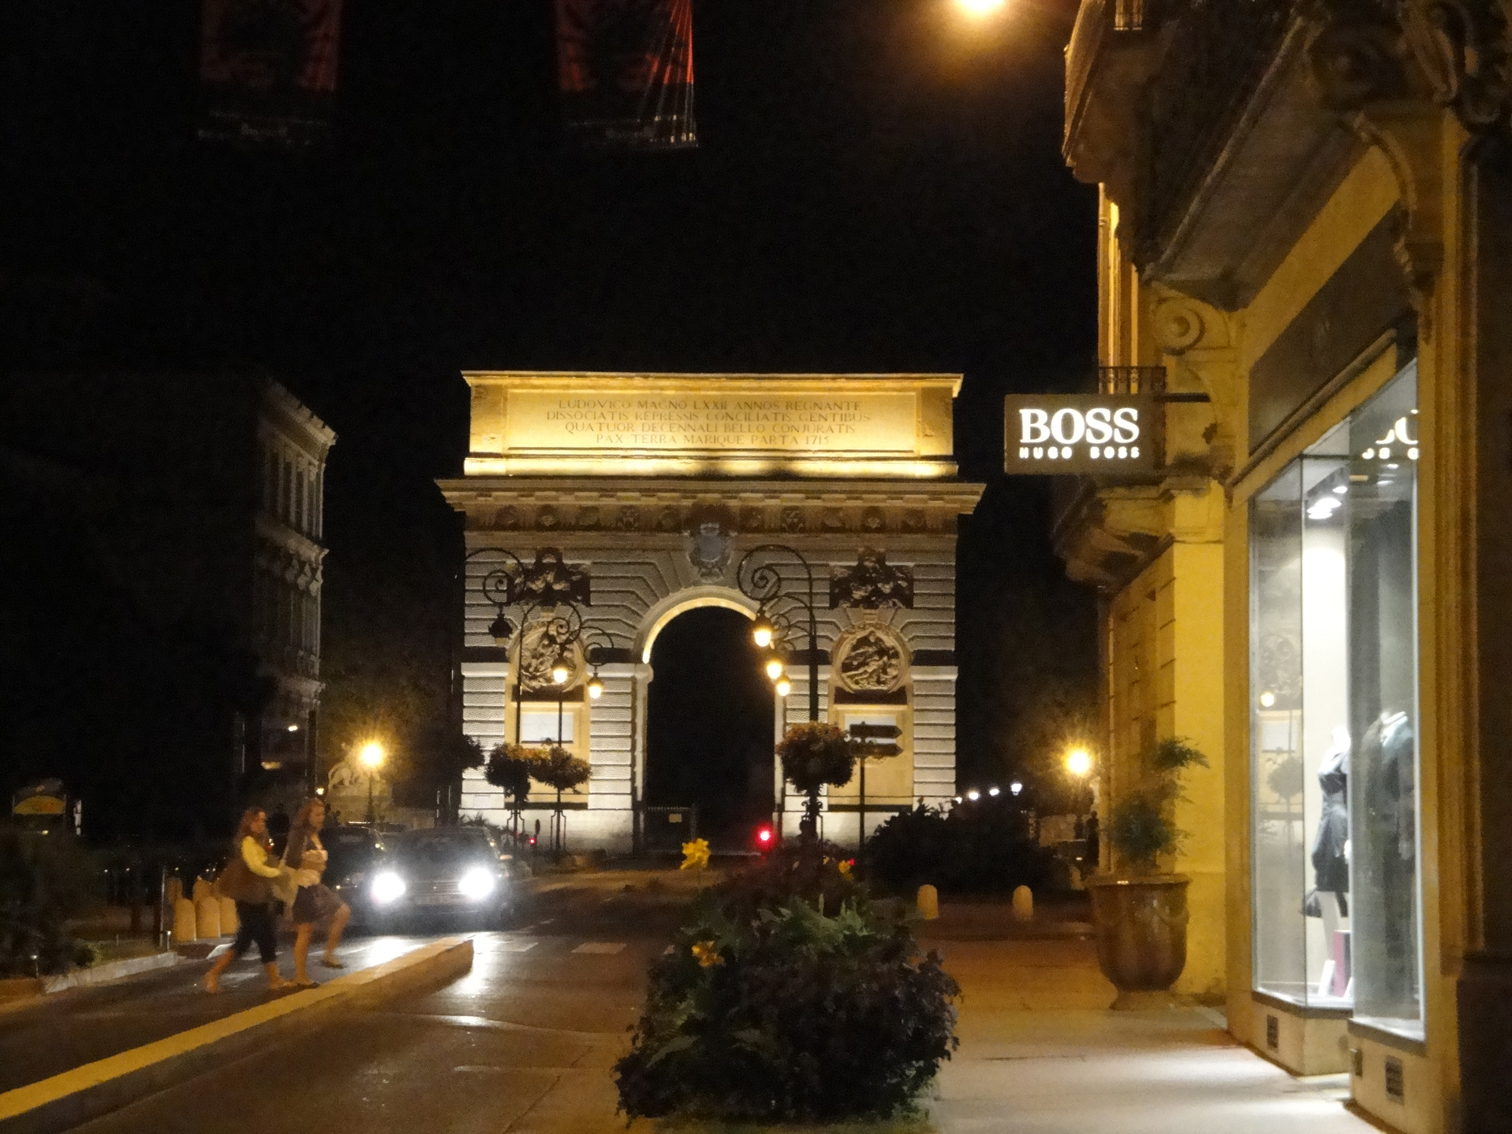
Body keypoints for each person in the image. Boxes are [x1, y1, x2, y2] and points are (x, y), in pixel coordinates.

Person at [205, 808, 293, 993]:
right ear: (248, 823)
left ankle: (274, 979)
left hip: (258, 898)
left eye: (263, 820)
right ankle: (213, 974)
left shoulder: (259, 842)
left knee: (263, 938)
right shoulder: (248, 842)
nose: (261, 824)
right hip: (248, 899)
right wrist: (277, 872)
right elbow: (255, 867)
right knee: (249, 941)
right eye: (257, 820)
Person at [283, 797, 351, 986]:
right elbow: (292, 861)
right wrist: (314, 862)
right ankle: (300, 976)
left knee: (342, 912)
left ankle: (328, 955)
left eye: (323, 814)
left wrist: (319, 865)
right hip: (302, 886)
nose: (322, 818)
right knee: (305, 931)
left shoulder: (314, 834)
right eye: (317, 814)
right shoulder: (299, 834)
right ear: (307, 815)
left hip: (315, 885)